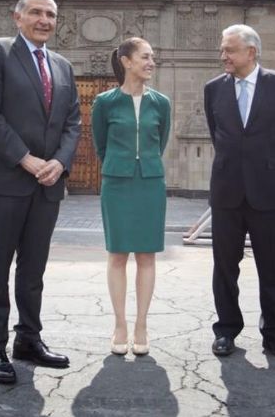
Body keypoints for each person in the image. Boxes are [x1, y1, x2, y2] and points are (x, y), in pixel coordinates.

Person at [0, 0, 81, 384]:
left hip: (47, 184)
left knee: (33, 269)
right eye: (36, 12)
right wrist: (25, 158)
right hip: (4, 179)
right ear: (17, 18)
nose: (44, 19)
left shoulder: (64, 66)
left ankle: (28, 340)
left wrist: (60, 163)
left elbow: (73, 123)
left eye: (50, 14)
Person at [204, 24, 275, 360]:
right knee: (224, 267)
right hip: (227, 192)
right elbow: (216, 132)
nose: (224, 56)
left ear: (251, 52)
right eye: (223, 49)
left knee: (273, 267)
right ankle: (226, 330)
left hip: (270, 191)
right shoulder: (213, 89)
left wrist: (268, 166)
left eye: (229, 50)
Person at [91, 37, 170, 356]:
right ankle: (119, 325)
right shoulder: (104, 102)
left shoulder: (161, 102)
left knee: (147, 255)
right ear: (126, 61)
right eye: (145, 57)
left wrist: (143, 163)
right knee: (118, 255)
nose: (151, 62)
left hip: (150, 183)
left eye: (153, 57)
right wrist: (121, 164)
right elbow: (100, 144)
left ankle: (142, 325)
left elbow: (160, 141)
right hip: (117, 183)